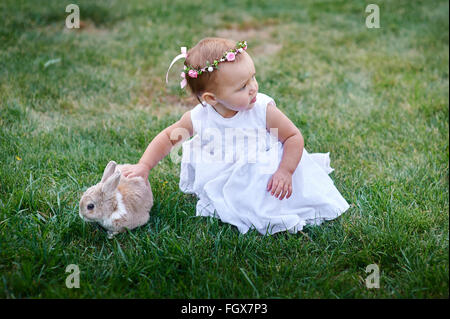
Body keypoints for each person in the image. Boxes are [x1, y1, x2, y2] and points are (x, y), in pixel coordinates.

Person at [122, 37, 350, 235]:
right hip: (223, 168)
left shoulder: (262, 109)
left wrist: (285, 171)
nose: (253, 88)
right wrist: (144, 165)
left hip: (263, 170)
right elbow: (168, 137)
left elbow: (293, 137)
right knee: (230, 200)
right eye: (242, 86)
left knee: (267, 205)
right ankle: (232, 199)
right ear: (212, 99)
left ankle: (257, 203)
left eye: (253, 77)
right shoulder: (200, 117)